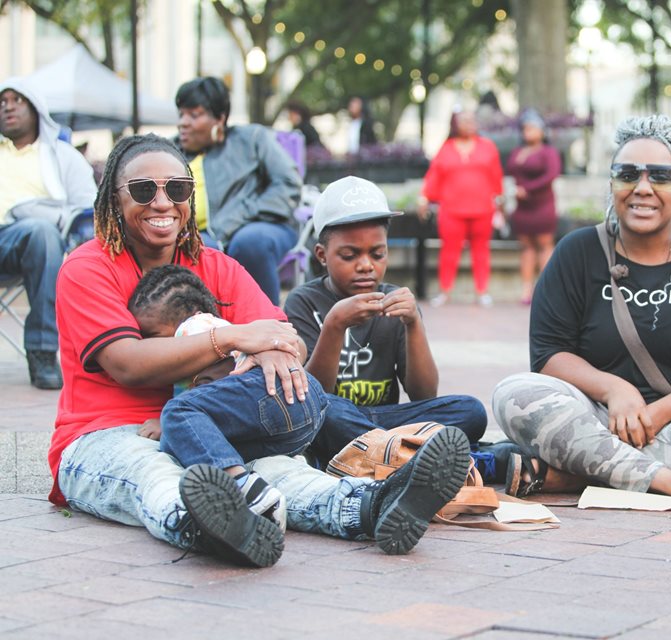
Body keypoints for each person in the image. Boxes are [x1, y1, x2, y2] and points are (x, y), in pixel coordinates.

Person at [48, 133, 470, 567]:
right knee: (155, 475)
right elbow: (126, 363)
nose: (162, 203)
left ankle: (374, 507)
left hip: (213, 429)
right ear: (114, 200)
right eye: (143, 190)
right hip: (107, 433)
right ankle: (212, 526)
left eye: (177, 189)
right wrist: (232, 337)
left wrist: (272, 350)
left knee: (283, 472)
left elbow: (286, 338)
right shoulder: (87, 268)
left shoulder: (216, 265)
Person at [492, 115, 671, 509]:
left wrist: (660, 412)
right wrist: (615, 390)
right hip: (595, 417)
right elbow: (548, 355)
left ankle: (572, 476)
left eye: (660, 176)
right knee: (514, 394)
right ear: (612, 184)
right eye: (628, 174)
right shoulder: (577, 253)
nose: (642, 188)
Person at [284, 175, 488, 469]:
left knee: (471, 411)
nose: (366, 265)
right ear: (322, 256)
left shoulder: (395, 300)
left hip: (383, 421)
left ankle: (382, 455)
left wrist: (414, 324)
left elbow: (424, 395)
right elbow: (312, 398)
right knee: (326, 414)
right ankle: (411, 456)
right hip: (334, 419)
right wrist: (334, 325)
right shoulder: (303, 301)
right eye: (349, 255)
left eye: (377, 254)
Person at [128, 263, 332, 532]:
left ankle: (243, 489)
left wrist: (166, 422)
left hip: (266, 393)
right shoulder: (226, 330)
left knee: (177, 416)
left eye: (153, 335)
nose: (151, 345)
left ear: (191, 315)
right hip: (307, 402)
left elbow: (203, 396)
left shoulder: (197, 328)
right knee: (210, 442)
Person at [0, 78, 96, 389]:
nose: (8, 106)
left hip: (31, 240)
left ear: (36, 108)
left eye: (17, 100)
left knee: (41, 232)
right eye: (3, 101)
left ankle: (42, 351)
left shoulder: (61, 155)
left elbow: (88, 208)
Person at [175, 76, 301, 305]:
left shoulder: (251, 139)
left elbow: (288, 184)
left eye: (194, 115)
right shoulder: (169, 152)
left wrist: (236, 217)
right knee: (199, 248)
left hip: (262, 225)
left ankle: (268, 323)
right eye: (181, 114)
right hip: (199, 234)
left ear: (220, 119)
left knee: (249, 242)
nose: (183, 122)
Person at [418, 110, 504, 308]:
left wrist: (499, 201)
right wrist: (424, 198)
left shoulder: (488, 147)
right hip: (452, 210)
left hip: (482, 209)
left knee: (481, 250)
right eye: (464, 121)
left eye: (472, 120)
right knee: (449, 251)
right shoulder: (446, 148)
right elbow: (434, 176)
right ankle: (445, 292)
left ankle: (482, 291)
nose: (469, 124)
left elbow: (496, 176)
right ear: (456, 124)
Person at [506, 110, 561, 305]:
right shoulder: (517, 152)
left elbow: (551, 175)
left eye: (531, 128)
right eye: (524, 128)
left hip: (542, 205)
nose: (527, 132)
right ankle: (526, 290)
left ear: (542, 131)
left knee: (545, 245)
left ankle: (546, 288)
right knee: (526, 247)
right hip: (522, 208)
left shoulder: (548, 152)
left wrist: (527, 189)